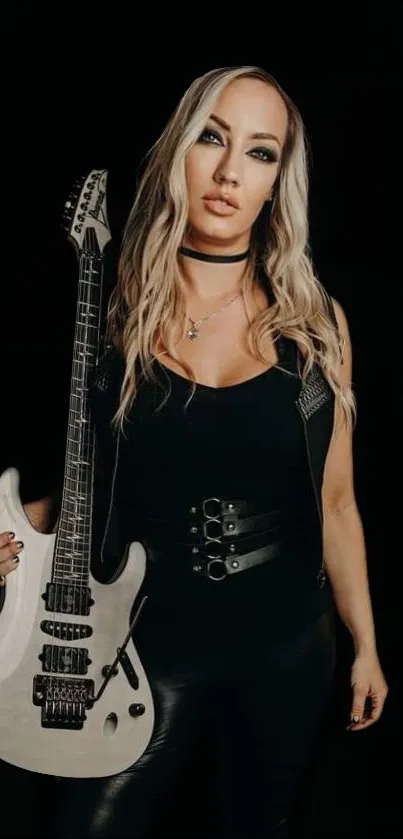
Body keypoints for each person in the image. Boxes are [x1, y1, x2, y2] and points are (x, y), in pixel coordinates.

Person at [0, 65, 388, 839]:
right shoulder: (104, 308)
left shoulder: (315, 325)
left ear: (277, 181)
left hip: (285, 652)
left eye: (258, 152)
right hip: (138, 648)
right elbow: (82, 480)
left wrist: (367, 645)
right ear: (179, 149)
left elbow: (336, 501)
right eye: (212, 138)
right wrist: (9, 533)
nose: (227, 172)